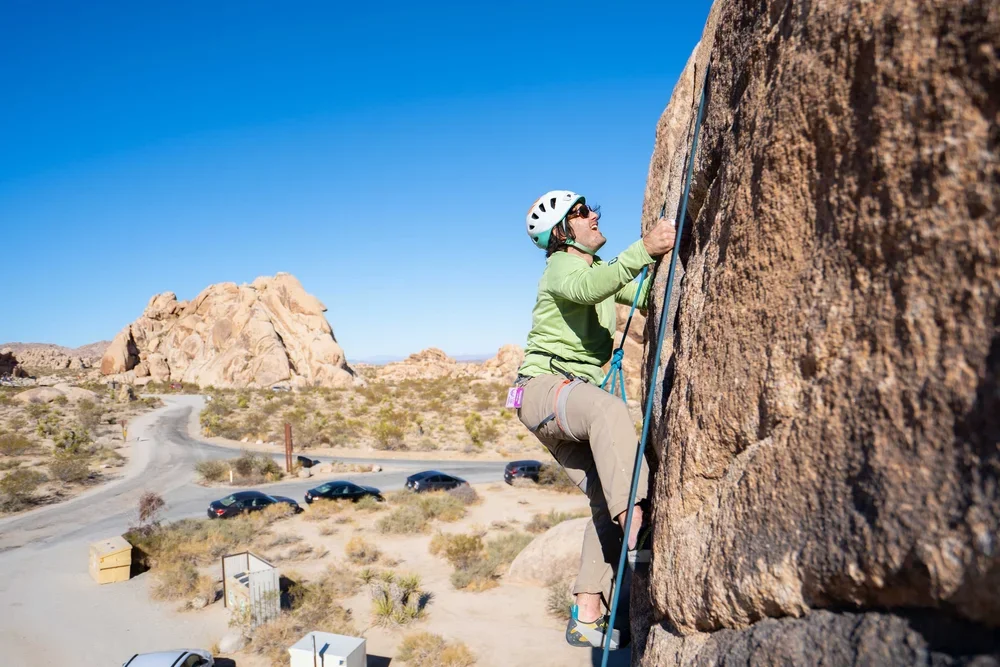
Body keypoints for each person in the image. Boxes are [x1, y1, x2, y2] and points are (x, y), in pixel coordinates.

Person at [513, 189, 676, 649]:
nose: (595, 215)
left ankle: (586, 611)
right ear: (564, 233)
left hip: (563, 403)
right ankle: (637, 526)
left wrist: (663, 262)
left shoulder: (600, 271)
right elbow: (588, 288)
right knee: (608, 410)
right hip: (545, 390)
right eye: (583, 213)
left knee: (606, 495)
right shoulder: (563, 265)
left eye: (589, 209)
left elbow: (642, 292)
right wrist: (643, 247)